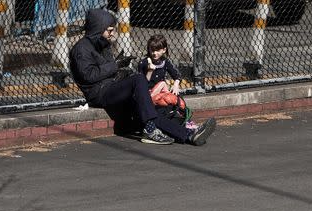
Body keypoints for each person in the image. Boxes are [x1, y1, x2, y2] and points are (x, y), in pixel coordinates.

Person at [69, 9, 215, 146]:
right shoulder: (81, 50)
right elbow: (89, 76)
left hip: (111, 88)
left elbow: (108, 72)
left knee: (149, 109)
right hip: (99, 94)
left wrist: (122, 71)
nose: (112, 34)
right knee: (139, 79)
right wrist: (116, 65)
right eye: (109, 30)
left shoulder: (103, 44)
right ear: (98, 28)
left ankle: (189, 135)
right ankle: (150, 131)